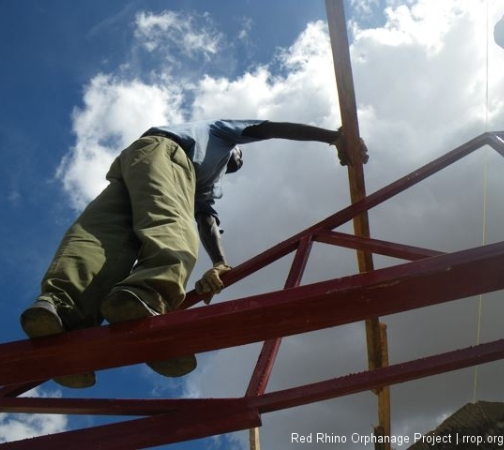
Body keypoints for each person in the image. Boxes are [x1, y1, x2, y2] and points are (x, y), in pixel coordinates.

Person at [20, 119, 368, 388]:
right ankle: (144, 295)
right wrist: (333, 137)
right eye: (237, 159)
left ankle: (62, 310)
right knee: (172, 225)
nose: (237, 161)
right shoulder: (220, 134)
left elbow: (207, 219)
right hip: (168, 152)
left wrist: (219, 262)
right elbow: (268, 128)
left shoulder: (207, 181)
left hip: (135, 159)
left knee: (101, 235)